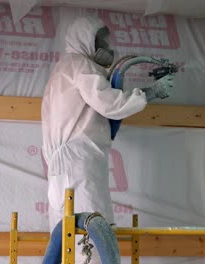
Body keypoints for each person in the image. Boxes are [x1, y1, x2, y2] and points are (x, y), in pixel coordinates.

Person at [41, 15, 174, 262]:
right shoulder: (80, 65)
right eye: (100, 41)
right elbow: (108, 103)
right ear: (85, 41)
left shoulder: (63, 69)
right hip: (79, 162)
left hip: (65, 164)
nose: (106, 48)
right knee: (91, 231)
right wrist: (151, 93)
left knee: (68, 233)